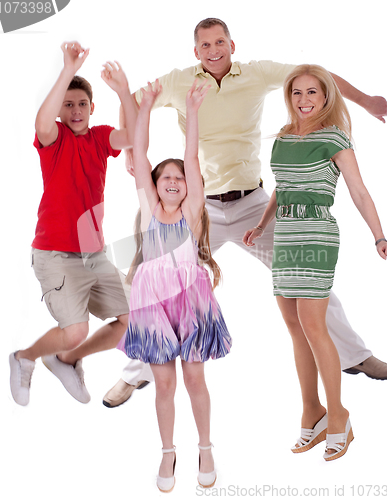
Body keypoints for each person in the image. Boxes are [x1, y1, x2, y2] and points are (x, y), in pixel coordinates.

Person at [103, 18, 387, 408]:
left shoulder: (256, 74)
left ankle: (355, 357)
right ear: (196, 51)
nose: (213, 50)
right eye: (205, 45)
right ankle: (133, 374)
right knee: (159, 283)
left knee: (308, 279)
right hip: (200, 208)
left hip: (254, 205)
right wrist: (127, 152)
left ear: (232, 44)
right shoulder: (179, 81)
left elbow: (319, 76)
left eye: (219, 41)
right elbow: (131, 104)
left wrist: (366, 102)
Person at [243, 64, 387, 460]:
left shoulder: (335, 137)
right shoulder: (282, 138)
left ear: (326, 96)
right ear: (288, 97)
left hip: (317, 234)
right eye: (297, 93)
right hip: (286, 236)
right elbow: (282, 185)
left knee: (314, 324)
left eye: (313, 92)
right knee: (294, 326)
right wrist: (261, 224)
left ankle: (340, 414)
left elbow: (360, 192)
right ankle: (313, 412)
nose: (305, 100)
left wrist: (379, 236)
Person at [117, 79, 231, 491]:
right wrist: (146, 104)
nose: (171, 181)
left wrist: (193, 110)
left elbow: (191, 156)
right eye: (163, 177)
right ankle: (168, 451)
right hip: (151, 299)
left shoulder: (193, 210)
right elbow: (141, 151)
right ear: (154, 182)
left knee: (195, 378)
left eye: (178, 178)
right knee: (163, 382)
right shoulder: (148, 206)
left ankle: (205, 446)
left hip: (190, 297)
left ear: (187, 187)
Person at [9, 42, 138, 406]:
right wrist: (68, 69)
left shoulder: (99, 138)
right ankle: (24, 357)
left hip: (93, 255)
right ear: (60, 112)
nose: (76, 110)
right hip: (54, 254)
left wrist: (124, 91)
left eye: (82, 104)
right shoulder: (53, 138)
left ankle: (65, 360)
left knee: (135, 319)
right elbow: (41, 121)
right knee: (74, 331)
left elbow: (134, 138)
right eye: (69, 105)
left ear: (92, 108)